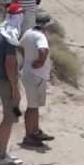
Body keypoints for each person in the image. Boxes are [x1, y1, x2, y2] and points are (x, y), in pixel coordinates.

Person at [0, 4, 25, 165]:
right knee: (8, 118)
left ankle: (2, 152)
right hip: (6, 82)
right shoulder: (10, 37)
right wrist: (15, 88)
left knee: (12, 114)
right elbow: (10, 64)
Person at [19, 11, 55, 149]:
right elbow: (43, 51)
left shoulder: (28, 33)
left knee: (33, 106)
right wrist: (39, 62)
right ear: (45, 25)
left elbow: (20, 46)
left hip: (29, 73)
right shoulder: (41, 37)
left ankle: (35, 131)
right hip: (36, 76)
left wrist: (28, 59)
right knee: (33, 107)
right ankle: (30, 136)